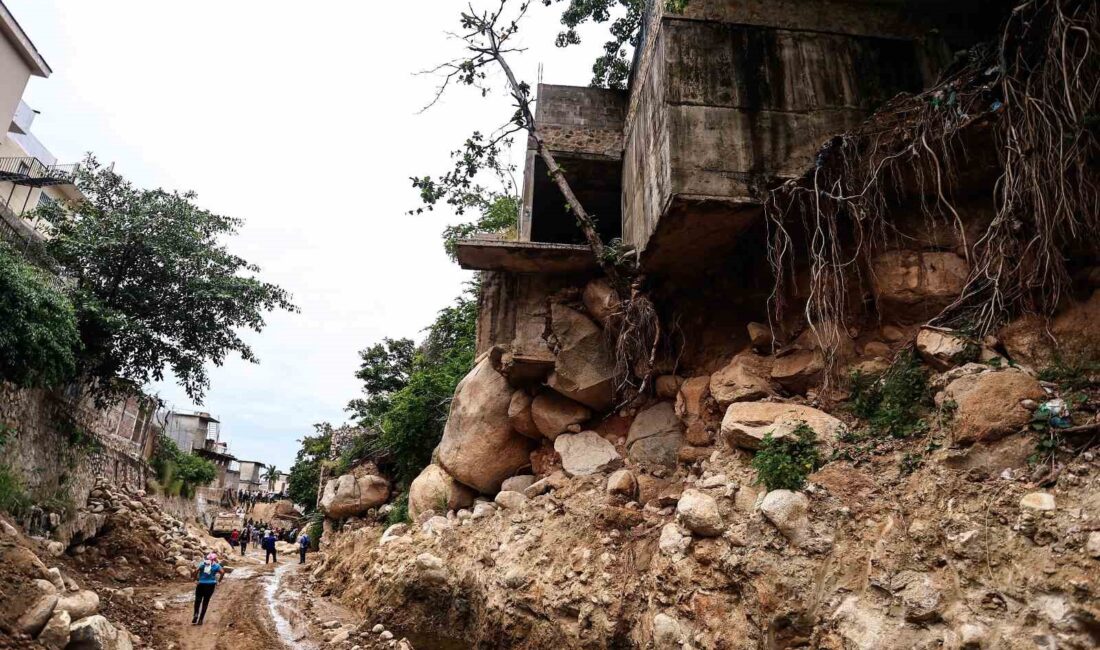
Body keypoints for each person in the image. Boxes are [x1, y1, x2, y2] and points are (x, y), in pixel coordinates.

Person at [192, 552, 223, 625]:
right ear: (214, 559)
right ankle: (200, 620)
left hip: (201, 584)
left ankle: (196, 614)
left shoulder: (202, 564)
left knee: (198, 600)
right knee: (205, 602)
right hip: (210, 585)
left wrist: (195, 579)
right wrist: (219, 581)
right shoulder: (216, 566)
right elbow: (222, 572)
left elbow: (196, 571)